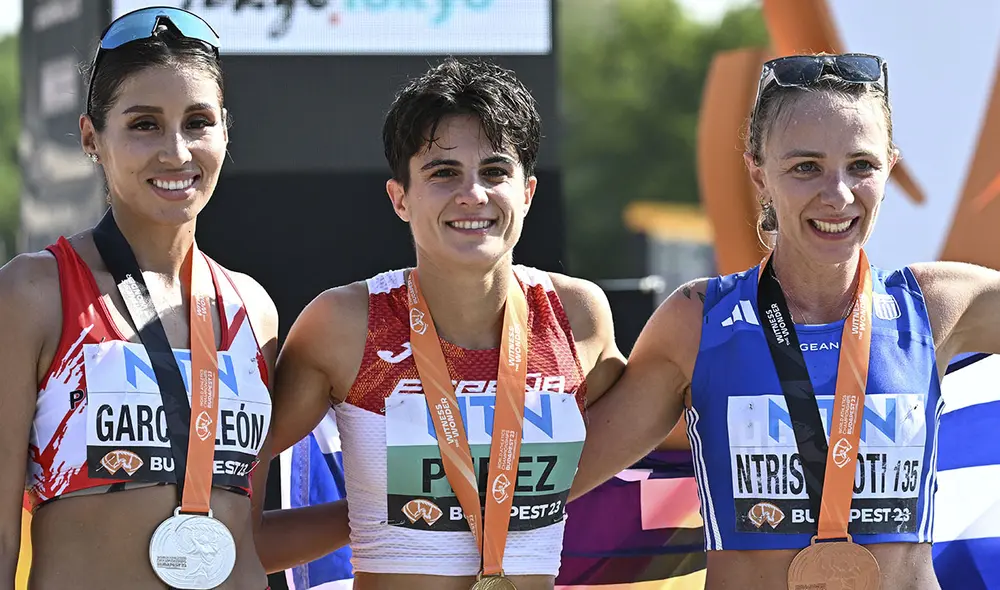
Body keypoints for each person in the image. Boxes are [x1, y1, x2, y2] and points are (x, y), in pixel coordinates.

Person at [569, 52, 1000, 590]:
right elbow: (549, 486)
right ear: (759, 171)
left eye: (861, 166)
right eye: (806, 167)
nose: (838, 194)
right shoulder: (699, 320)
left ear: (889, 167)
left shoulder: (939, 303)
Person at [0, 8, 345, 589]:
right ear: (91, 138)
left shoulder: (252, 308)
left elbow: (244, 535)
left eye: (197, 122)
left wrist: (384, 512)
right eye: (144, 124)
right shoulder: (33, 293)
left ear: (225, 131)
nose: (177, 152)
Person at [271, 57, 625, 590]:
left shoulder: (576, 314)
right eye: (443, 173)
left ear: (527, 193)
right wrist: (369, 513)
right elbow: (223, 496)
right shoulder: (344, 323)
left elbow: (661, 433)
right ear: (400, 199)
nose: (473, 194)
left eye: (495, 172)